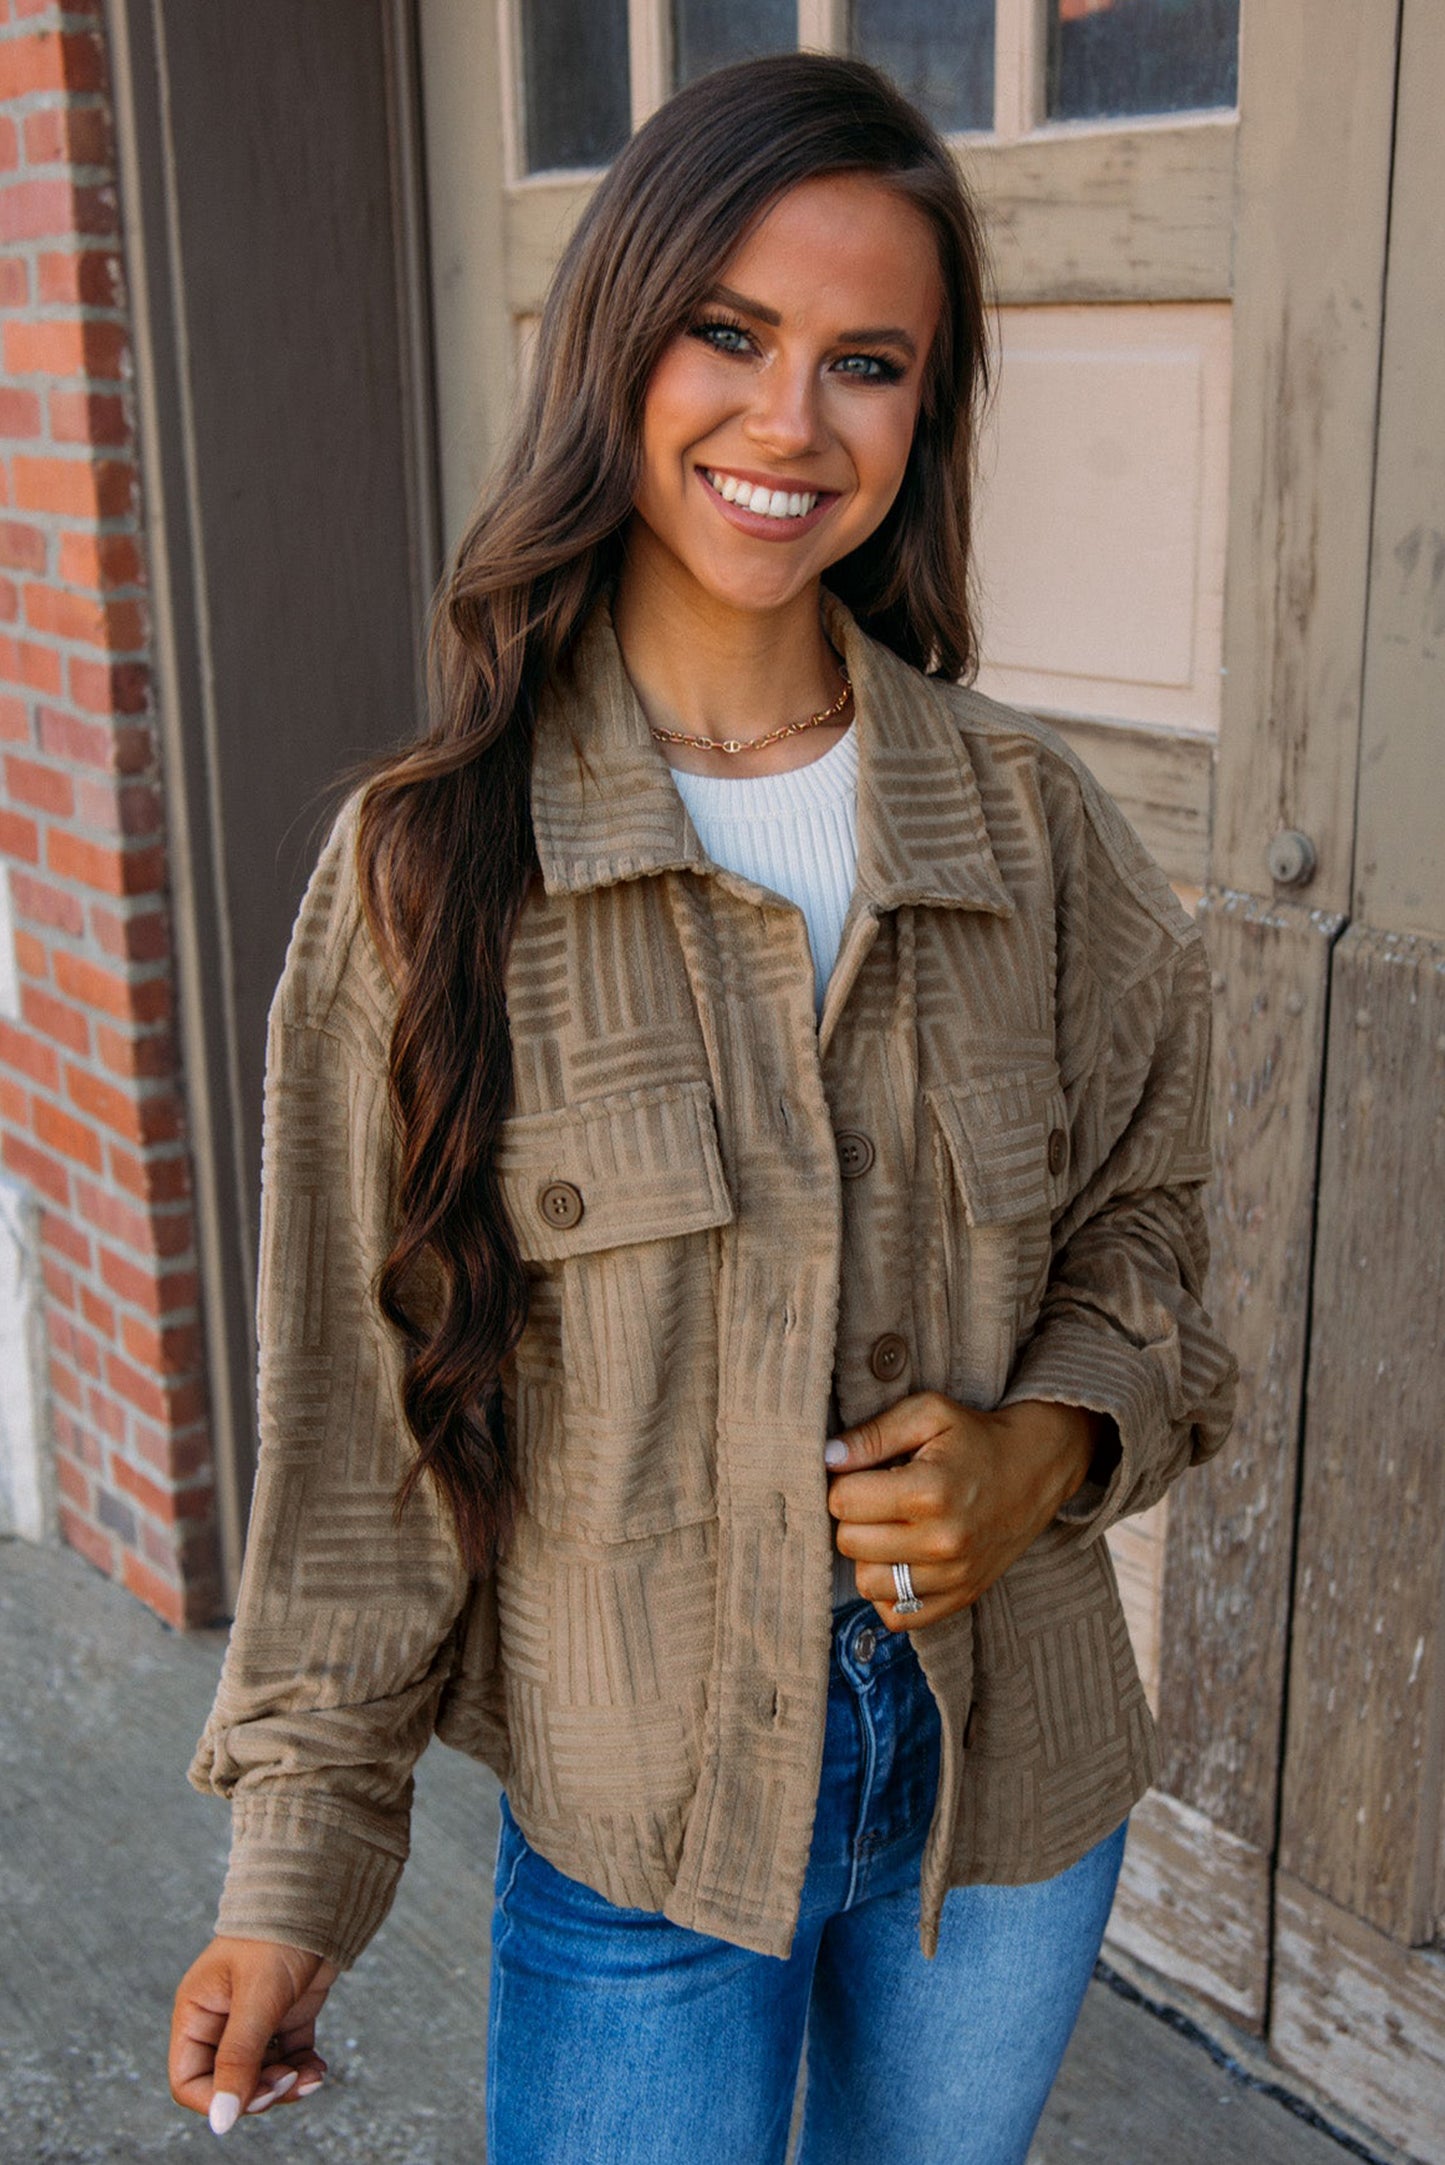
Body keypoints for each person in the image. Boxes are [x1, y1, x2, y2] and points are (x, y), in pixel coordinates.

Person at [168, 52, 1236, 2164]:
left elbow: (1156, 1240)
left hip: (1010, 1801)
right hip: (641, 1826)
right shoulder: (428, 873)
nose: (788, 422)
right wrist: (298, 1878)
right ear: (615, 341)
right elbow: (360, 1437)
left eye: (868, 363)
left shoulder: (1040, 841)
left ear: (922, 418)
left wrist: (1050, 1448)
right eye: (728, 335)